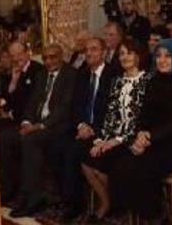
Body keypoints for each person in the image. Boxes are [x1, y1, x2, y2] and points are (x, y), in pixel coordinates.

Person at [111, 39, 172, 223]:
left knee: (143, 169)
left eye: (167, 56)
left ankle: (157, 217)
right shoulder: (153, 80)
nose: (162, 60)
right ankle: (144, 214)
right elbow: (143, 116)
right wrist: (140, 135)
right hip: (152, 142)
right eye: (158, 56)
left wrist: (150, 137)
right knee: (122, 166)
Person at [81, 39, 151, 221]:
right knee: (87, 159)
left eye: (129, 53)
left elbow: (140, 121)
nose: (124, 57)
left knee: (110, 164)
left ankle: (122, 204)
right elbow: (110, 115)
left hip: (133, 140)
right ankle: (107, 203)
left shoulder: (147, 81)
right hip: (112, 137)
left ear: (138, 55)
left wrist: (116, 141)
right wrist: (100, 140)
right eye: (121, 54)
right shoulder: (117, 81)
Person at [57, 37, 119, 221]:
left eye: (94, 49)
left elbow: (113, 110)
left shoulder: (113, 74)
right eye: (87, 50)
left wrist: (93, 129)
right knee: (57, 145)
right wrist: (81, 125)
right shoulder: (82, 74)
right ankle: (68, 196)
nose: (89, 53)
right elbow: (75, 106)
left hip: (103, 131)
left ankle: (74, 204)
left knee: (73, 152)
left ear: (104, 52)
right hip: (82, 128)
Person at [11, 44, 77, 216]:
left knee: (30, 140)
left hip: (58, 125)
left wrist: (39, 126)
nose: (48, 61)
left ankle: (33, 198)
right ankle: (20, 193)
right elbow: (32, 102)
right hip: (39, 124)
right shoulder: (41, 75)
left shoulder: (71, 75)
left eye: (53, 57)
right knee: (12, 137)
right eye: (45, 58)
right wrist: (26, 122)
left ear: (61, 56)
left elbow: (64, 108)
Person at [0, 39, 44, 204]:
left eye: (19, 54)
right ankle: (3, 185)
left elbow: (34, 102)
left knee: (6, 139)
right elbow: (4, 100)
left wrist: (16, 115)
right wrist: (13, 82)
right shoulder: (11, 73)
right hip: (13, 118)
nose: (16, 58)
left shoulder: (38, 70)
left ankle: (14, 190)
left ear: (27, 53)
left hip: (31, 121)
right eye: (12, 55)